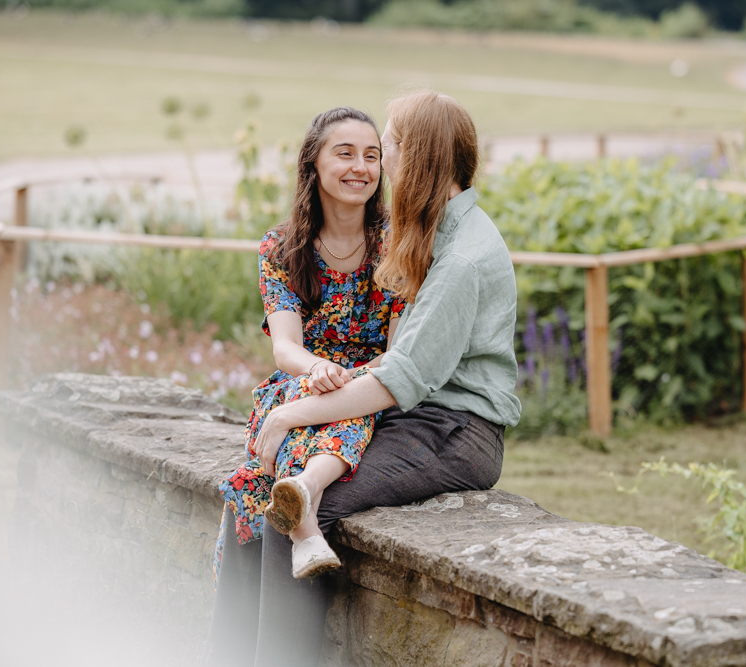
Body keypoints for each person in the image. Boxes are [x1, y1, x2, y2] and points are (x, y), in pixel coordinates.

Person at [207, 90, 521, 667]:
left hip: (454, 433)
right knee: (254, 488)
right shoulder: (437, 233)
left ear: (417, 155)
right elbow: (310, 350)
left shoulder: (462, 257)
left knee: (296, 506)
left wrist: (288, 414)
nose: (383, 162)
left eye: (391, 146)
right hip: (414, 415)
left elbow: (400, 376)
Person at [215, 106, 404, 584]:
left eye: (371, 156)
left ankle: (302, 509)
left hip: (370, 383)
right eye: (344, 154)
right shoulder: (281, 247)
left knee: (347, 409)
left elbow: (401, 348)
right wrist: (318, 370)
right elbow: (285, 349)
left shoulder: (398, 244)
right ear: (313, 165)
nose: (360, 167)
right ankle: (304, 525)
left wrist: (344, 377)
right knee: (306, 403)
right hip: (301, 378)